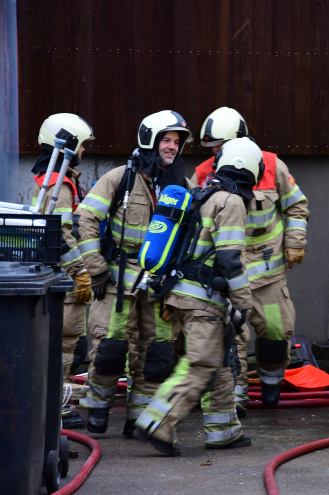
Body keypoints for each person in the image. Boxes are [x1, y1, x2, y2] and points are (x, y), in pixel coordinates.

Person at [134, 137, 260, 454]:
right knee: (201, 364)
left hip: (187, 293)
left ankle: (223, 430)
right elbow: (231, 260)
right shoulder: (230, 202)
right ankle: (156, 422)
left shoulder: (205, 194)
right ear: (250, 167)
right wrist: (245, 304)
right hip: (202, 299)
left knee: (217, 363)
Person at [77, 110, 191, 436]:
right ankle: (97, 410)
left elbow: (193, 235)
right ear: (150, 140)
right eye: (166, 140)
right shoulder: (119, 179)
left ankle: (140, 420)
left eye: (176, 142)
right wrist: (96, 269)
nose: (171, 147)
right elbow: (84, 220)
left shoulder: (182, 185)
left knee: (156, 354)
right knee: (110, 350)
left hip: (158, 288)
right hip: (116, 285)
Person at [194, 107, 309, 410]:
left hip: (269, 278)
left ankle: (271, 389)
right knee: (232, 342)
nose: (215, 153)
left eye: (219, 146)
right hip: (228, 277)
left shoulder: (272, 166)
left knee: (275, 336)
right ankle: (235, 401)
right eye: (212, 148)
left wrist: (295, 243)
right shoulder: (205, 172)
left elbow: (297, 207)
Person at [30, 113, 95, 429]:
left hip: (55, 274)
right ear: (69, 144)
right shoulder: (61, 184)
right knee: (66, 341)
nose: (84, 152)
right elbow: (63, 234)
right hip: (65, 276)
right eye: (81, 145)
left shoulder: (48, 180)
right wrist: (80, 272)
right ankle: (60, 407)